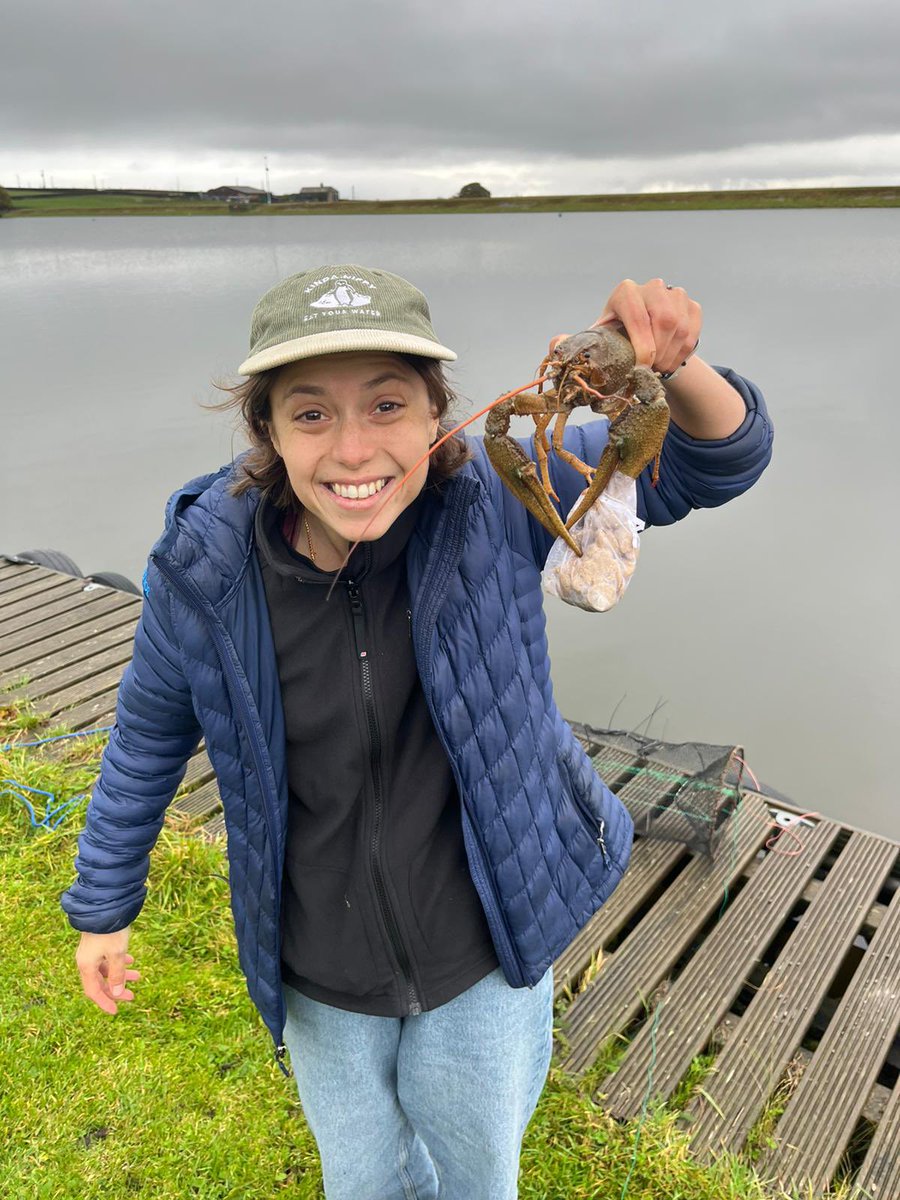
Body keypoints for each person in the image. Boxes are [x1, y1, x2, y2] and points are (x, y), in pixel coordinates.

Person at [61, 265, 773, 1199]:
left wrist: (674, 370)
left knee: (479, 1173)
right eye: (310, 413)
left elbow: (717, 460)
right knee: (360, 1176)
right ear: (265, 432)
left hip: (484, 949)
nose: (355, 451)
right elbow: (147, 740)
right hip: (317, 964)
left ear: (438, 413)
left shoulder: (495, 498)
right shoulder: (206, 565)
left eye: (388, 404)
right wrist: (103, 909)